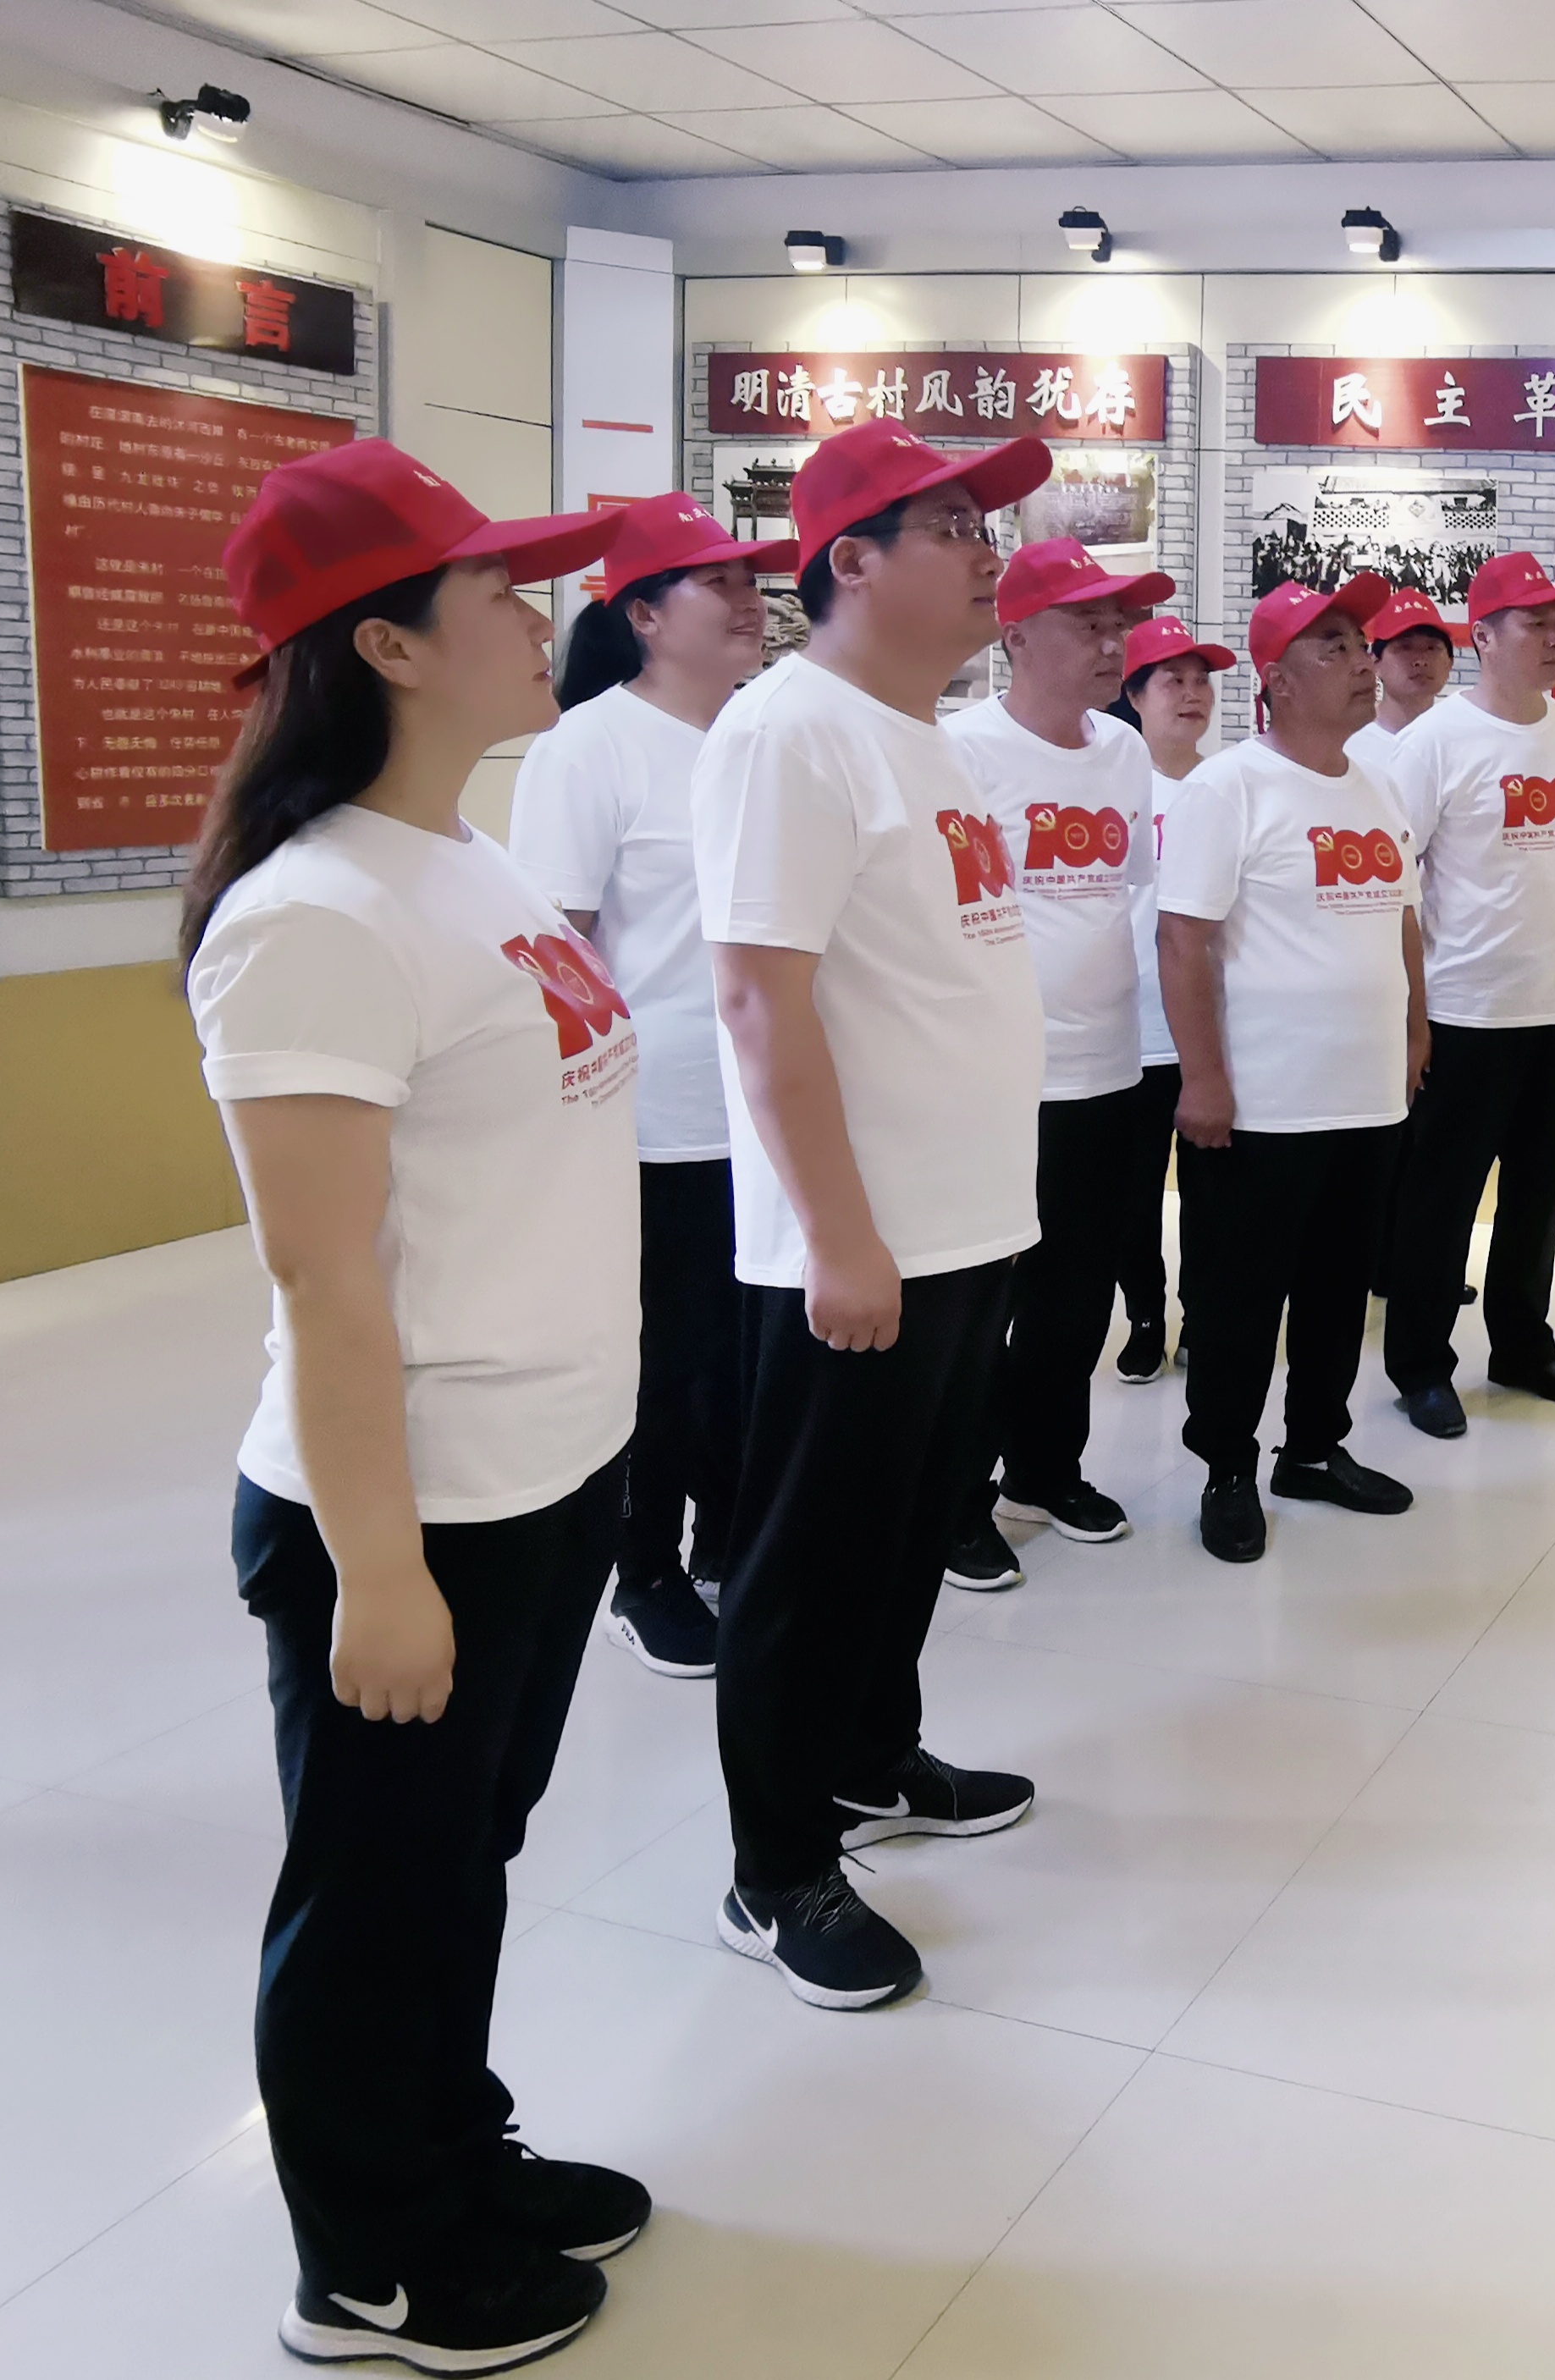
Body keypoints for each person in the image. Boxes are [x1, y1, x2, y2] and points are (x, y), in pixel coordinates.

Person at [183, 441, 637, 2372]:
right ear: (383, 642)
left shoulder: (470, 858)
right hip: (410, 1506)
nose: (542, 618)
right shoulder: (312, 916)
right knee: (373, 1895)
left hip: (542, 1470)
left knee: (460, 1862)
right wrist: (378, 1573)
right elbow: (324, 1275)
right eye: (497, 592)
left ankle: (452, 2147)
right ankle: (365, 2259)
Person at [692, 416, 1050, 2013]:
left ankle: (867, 1760)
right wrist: (839, 1237)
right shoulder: (789, 733)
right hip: (859, 1245)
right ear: (850, 558)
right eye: (954, 525)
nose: (991, 552)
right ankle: (774, 1869)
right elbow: (758, 1002)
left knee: (905, 1535)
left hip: (963, 1225)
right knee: (806, 1561)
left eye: (989, 525)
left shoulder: (928, 734)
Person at [510, 493, 791, 1680]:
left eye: (750, 581)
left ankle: (730, 1543)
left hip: (767, 1109)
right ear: (642, 616)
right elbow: (554, 953)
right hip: (652, 1118)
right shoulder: (590, 748)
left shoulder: (765, 736)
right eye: (715, 583)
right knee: (664, 1361)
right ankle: (645, 1570)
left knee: (744, 1353)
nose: (747, 602)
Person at [1157, 575, 1428, 1563]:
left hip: (1367, 1096)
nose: (1364, 663)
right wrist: (1202, 1079)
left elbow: (1403, 920)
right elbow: (1182, 940)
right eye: (1336, 647)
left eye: (1362, 644)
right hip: (1262, 1106)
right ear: (1276, 678)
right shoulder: (1227, 788)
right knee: (1238, 1301)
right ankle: (1227, 1467)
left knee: (1338, 1294)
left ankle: (1313, 1448)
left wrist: (1415, 1033)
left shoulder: (1378, 786)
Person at [940, 538, 1177, 1573]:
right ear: (1016, 635)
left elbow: (1125, 894)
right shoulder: (960, 750)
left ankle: (1045, 1468)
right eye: (1087, 623)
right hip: (999, 1082)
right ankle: (955, 1498)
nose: (1112, 642)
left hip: (1110, 1069)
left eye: (1118, 624)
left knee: (1074, 1298)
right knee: (977, 1307)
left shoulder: (1124, 750)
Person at [1378, 554, 1555, 1438]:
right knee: (1440, 1201)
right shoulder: (1434, 744)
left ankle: (1521, 1345)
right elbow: (1393, 887)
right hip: (1464, 1015)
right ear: (1482, 637)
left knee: (1538, 1193)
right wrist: (1410, 1017)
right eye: (1535, 622)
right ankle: (1420, 1366)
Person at [1103, 614, 1230, 1381]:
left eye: (1202, 681)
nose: (1192, 694)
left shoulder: (1229, 787)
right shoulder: (1114, 789)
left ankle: (1206, 1316)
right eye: (1172, 681)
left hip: (1212, 1031)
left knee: (1214, 1192)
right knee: (1132, 1195)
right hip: (1131, 1028)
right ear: (1135, 695)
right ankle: (1146, 1315)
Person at [1346, 583, 1453, 780]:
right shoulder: (1347, 744)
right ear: (1375, 662)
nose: (1420, 660)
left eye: (1432, 648)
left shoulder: (1461, 741)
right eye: (1405, 647)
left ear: (1450, 663)